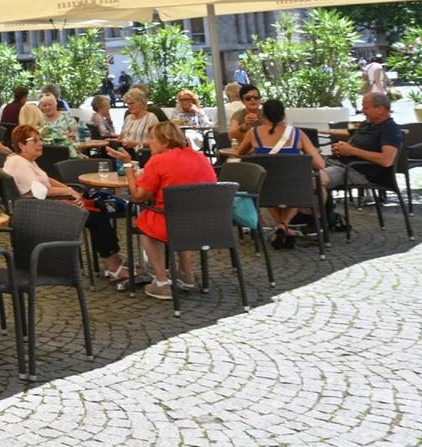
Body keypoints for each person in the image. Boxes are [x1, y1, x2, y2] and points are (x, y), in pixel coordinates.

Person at [107, 121, 216, 300]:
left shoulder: (158, 160)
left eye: (152, 138)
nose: (149, 142)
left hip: (173, 223)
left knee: (145, 223)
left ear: (165, 141)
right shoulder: (200, 157)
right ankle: (186, 273)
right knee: (180, 213)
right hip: (205, 223)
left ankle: (161, 281)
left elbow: (137, 196)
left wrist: (127, 166)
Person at [5, 126, 127, 279]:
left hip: (43, 207)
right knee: (97, 215)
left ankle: (114, 257)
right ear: (22, 145)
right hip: (41, 213)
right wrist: (69, 192)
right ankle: (113, 264)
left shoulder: (25, 160)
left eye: (40, 139)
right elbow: (40, 190)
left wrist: (68, 189)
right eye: (34, 140)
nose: (40, 143)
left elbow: (46, 179)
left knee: (98, 206)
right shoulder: (19, 163)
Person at [231, 98, 329, 248]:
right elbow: (319, 163)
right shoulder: (298, 134)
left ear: (263, 115)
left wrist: (256, 151)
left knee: (268, 182)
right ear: (283, 115)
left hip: (266, 190)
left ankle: (281, 227)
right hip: (295, 189)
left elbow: (239, 153)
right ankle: (284, 226)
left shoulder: (254, 133)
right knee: (302, 183)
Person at [328, 91, 402, 196]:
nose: (362, 111)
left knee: (312, 180)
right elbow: (351, 145)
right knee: (303, 173)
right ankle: (326, 210)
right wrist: (341, 149)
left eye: (365, 108)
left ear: (380, 109)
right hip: (338, 163)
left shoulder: (390, 128)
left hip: (356, 171)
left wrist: (352, 151)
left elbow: (386, 160)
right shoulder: (366, 124)